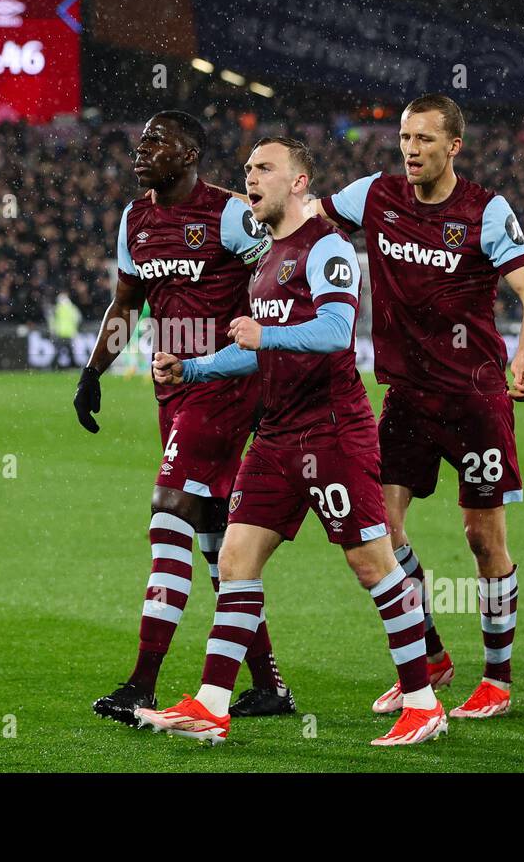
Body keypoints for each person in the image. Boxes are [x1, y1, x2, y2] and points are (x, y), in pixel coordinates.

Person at [138, 137, 445, 746]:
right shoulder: (263, 260)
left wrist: (265, 333)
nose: (250, 178)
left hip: (332, 431)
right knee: (234, 561)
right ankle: (212, 703)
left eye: (264, 169)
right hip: (277, 433)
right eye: (247, 169)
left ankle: (423, 701)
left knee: (371, 564)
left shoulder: (326, 246)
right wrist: (193, 370)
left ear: (299, 182)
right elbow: (254, 350)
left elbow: (335, 332)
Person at [310, 94, 524, 719]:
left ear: (454, 147)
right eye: (405, 138)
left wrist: (521, 358)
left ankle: (496, 680)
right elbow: (307, 217)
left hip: (476, 400)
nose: (411, 150)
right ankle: (431, 658)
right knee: (382, 532)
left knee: (481, 537)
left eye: (423, 140)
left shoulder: (486, 211)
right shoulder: (375, 196)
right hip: (406, 398)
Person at [75, 112, 296, 725]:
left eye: (156, 142)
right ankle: (271, 686)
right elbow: (126, 303)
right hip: (173, 388)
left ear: (191, 153)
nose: (141, 152)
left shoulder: (227, 214)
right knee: (218, 540)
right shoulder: (134, 219)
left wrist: (271, 342)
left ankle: (142, 684)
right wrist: (93, 372)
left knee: (169, 513)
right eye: (139, 141)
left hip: (224, 384)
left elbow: (279, 269)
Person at [50, 292, 81, 369]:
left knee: (58, 351)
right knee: (70, 351)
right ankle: (73, 365)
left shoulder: (57, 308)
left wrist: (53, 331)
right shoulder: (72, 308)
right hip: (70, 333)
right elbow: (78, 318)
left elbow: (52, 320)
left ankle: (54, 366)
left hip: (60, 333)